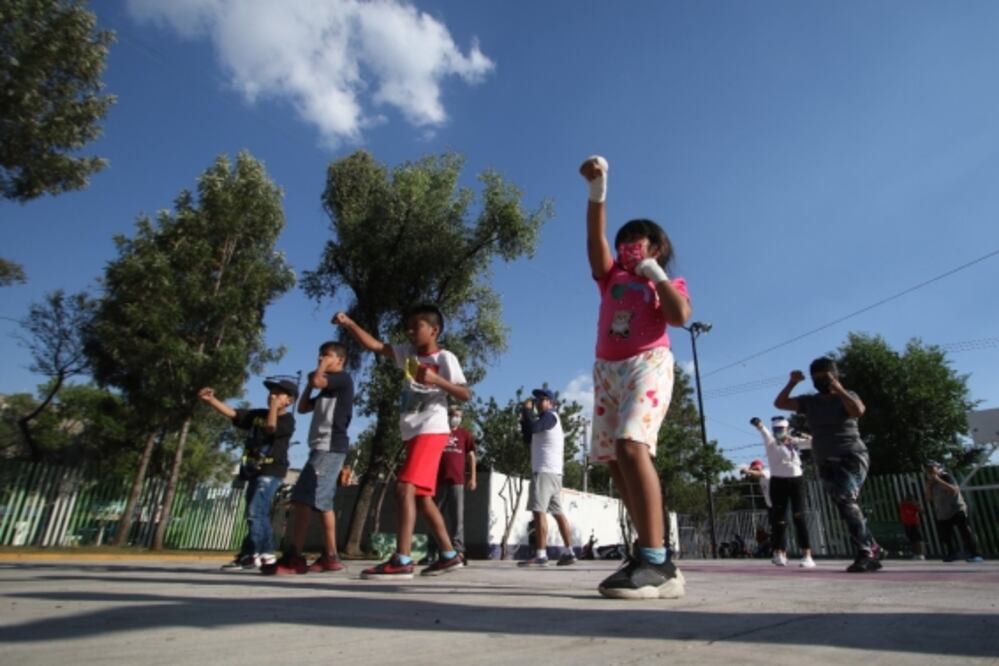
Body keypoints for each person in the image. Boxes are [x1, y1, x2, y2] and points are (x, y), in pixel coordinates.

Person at [580, 155, 692, 599]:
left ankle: (654, 559)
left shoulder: (666, 282)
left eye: (637, 241)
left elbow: (680, 317)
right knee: (613, 458)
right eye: (624, 241)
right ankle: (654, 554)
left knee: (632, 444)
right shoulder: (609, 278)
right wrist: (597, 189)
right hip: (607, 371)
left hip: (648, 363)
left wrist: (656, 276)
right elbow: (595, 236)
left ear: (657, 248)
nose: (628, 246)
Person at [335, 305, 471, 579]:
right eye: (407, 327)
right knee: (422, 498)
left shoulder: (445, 357)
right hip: (412, 431)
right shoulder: (407, 354)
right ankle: (448, 555)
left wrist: (435, 379)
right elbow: (375, 345)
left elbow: (465, 393)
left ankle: (402, 559)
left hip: (432, 428)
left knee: (404, 487)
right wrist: (349, 324)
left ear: (434, 330)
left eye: (416, 326)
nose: (409, 332)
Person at [774, 357, 881, 573]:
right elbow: (780, 403)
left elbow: (858, 411)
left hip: (850, 455)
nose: (820, 381)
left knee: (846, 500)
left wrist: (838, 388)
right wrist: (792, 382)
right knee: (844, 505)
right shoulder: (810, 402)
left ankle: (865, 552)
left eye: (824, 377)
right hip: (824, 459)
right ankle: (873, 546)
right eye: (816, 378)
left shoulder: (847, 396)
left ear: (835, 375)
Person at [263, 342, 354, 575]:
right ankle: (331, 557)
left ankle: (294, 555)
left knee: (303, 497)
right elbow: (303, 407)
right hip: (320, 447)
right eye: (320, 355)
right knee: (323, 503)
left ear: (340, 361)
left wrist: (320, 369)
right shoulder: (326, 390)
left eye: (327, 356)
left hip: (330, 446)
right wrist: (308, 386)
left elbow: (318, 380)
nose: (321, 358)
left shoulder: (343, 379)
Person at [199, 378, 296, 571]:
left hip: (271, 470)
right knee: (255, 513)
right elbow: (235, 414)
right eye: (271, 393)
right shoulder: (258, 414)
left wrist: (274, 409)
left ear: (289, 401)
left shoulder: (287, 420)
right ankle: (251, 554)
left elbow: (271, 429)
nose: (272, 396)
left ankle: (262, 553)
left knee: (255, 512)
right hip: (253, 470)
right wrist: (212, 401)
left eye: (278, 394)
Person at [517, 388, 577, 567]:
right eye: (536, 400)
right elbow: (529, 437)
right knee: (557, 512)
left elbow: (534, 427)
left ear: (551, 403)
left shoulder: (549, 417)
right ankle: (569, 552)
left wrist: (527, 412)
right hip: (554, 473)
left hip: (543, 472)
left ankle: (541, 555)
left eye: (542, 399)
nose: (537, 402)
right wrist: (524, 415)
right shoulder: (548, 420)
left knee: (538, 510)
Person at [750, 416, 816, 568]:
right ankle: (779, 553)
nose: (778, 432)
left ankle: (807, 555)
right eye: (776, 430)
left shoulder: (794, 442)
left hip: (796, 480)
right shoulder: (771, 443)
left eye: (781, 429)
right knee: (779, 519)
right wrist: (759, 424)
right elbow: (764, 431)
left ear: (787, 429)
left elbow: (813, 442)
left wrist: (805, 436)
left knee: (799, 517)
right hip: (778, 482)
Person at [421, 406, 477, 565]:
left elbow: (471, 456)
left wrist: (472, 478)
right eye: (453, 415)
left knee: (457, 518)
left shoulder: (465, 435)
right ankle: (431, 551)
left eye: (459, 415)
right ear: (447, 416)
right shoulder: (439, 432)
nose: (456, 418)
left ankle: (458, 551)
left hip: (457, 481)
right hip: (437, 481)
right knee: (434, 516)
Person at [924, 461, 984, 563]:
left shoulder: (947, 477)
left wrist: (938, 480)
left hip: (957, 509)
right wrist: (929, 485)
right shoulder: (931, 482)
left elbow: (954, 490)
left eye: (932, 468)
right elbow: (929, 498)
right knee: (945, 535)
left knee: (965, 532)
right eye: (928, 470)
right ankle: (952, 553)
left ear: (938, 468)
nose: (930, 471)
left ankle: (975, 554)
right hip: (942, 512)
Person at [897, 494, 925, 560]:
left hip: (914, 524)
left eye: (910, 499)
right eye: (907, 499)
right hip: (907, 524)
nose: (908, 501)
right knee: (912, 540)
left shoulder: (914, 505)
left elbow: (922, 511)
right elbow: (900, 506)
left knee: (918, 539)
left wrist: (915, 505)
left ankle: (920, 554)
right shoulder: (903, 505)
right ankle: (915, 554)